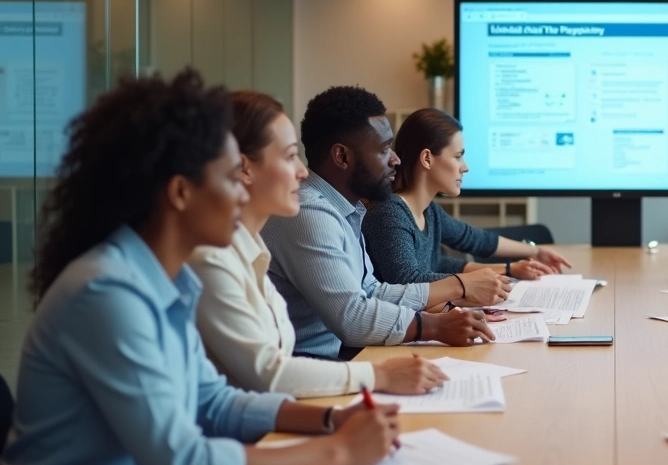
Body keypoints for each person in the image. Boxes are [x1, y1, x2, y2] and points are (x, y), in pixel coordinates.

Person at [0, 71, 401, 465]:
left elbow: (215, 403)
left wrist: (330, 420)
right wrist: (338, 450)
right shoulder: (106, 295)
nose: (241, 195)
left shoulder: (167, 280)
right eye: (232, 179)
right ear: (180, 192)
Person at [190, 91, 449, 399]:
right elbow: (269, 374)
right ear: (244, 169)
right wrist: (382, 372)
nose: (301, 172)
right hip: (311, 375)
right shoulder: (295, 218)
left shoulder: (254, 244)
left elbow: (368, 291)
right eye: (289, 157)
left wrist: (333, 423)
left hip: (304, 385)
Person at [262, 86, 502, 359]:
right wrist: (435, 323)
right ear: (342, 156)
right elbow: (352, 318)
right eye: (384, 149)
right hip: (311, 366)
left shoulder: (346, 210)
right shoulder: (309, 213)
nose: (396, 160)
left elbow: (372, 292)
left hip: (338, 357)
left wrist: (446, 312)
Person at [364, 108, 572, 285]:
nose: (465, 168)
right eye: (457, 157)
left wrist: (524, 260)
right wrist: (478, 282)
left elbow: (470, 242)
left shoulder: (429, 211)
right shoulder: (390, 214)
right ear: (427, 158)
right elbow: (409, 282)